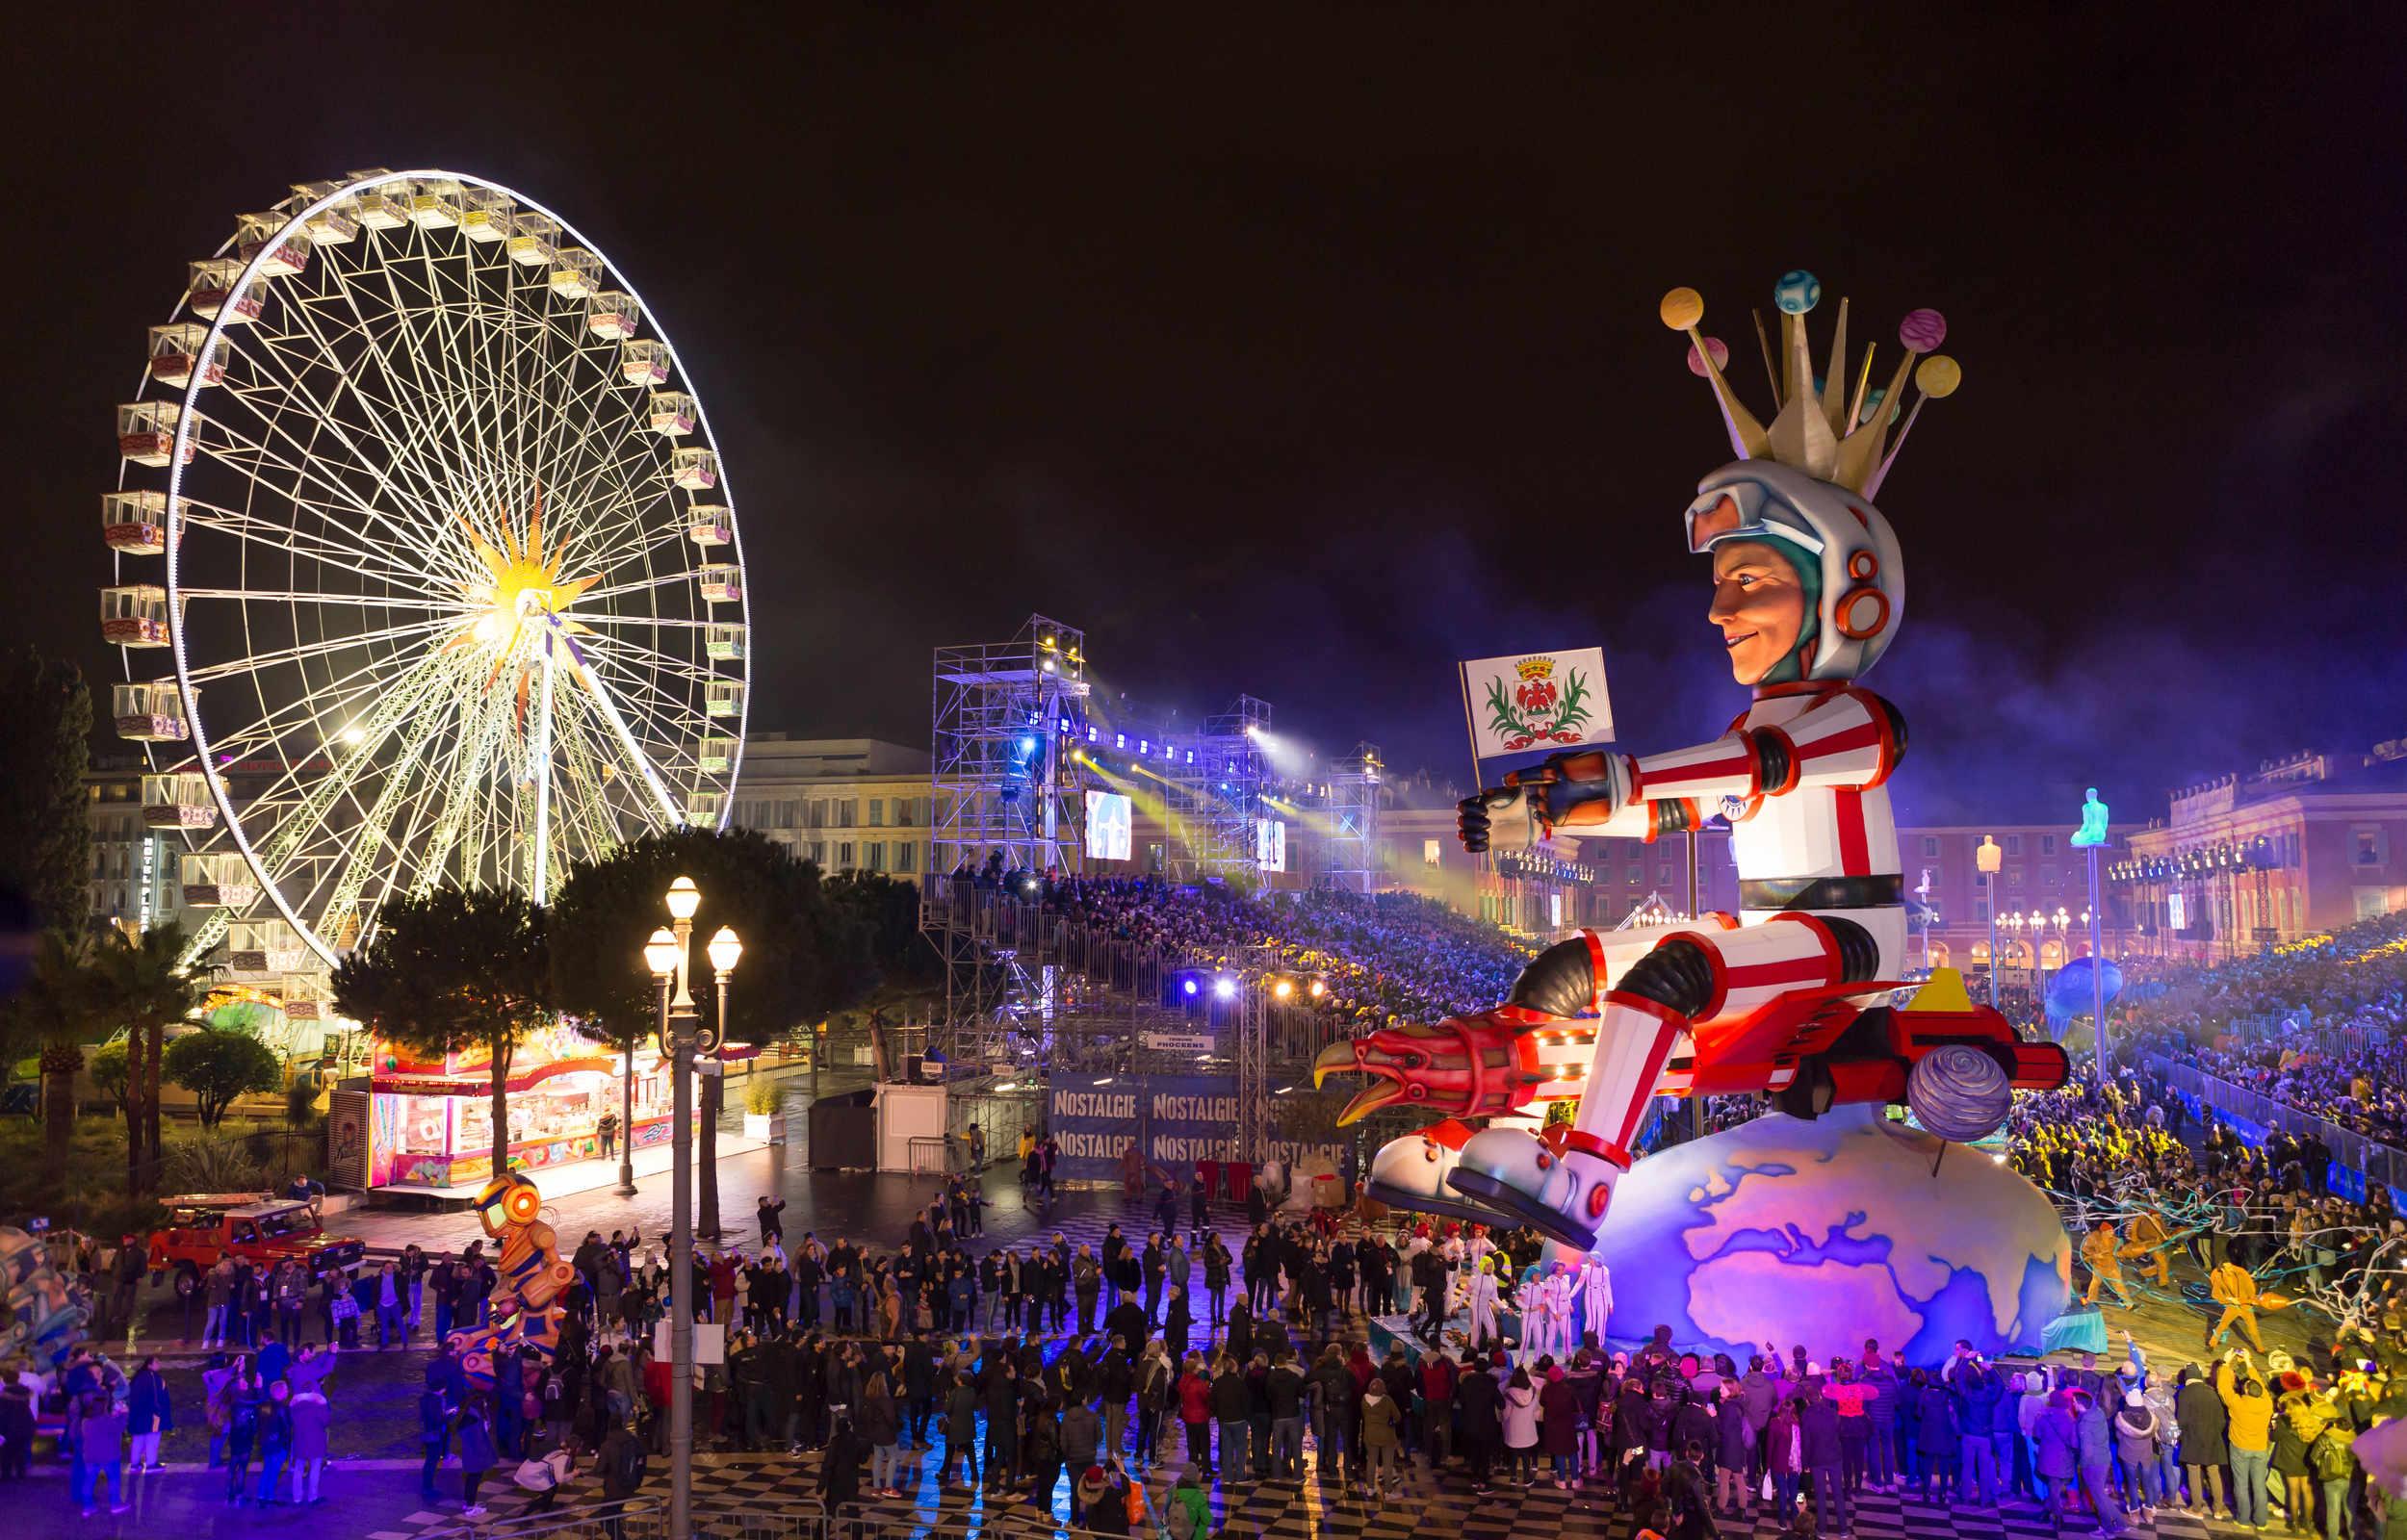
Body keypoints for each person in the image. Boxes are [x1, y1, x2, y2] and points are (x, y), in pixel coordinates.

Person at [2218, 1352, 2275, 1530]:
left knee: (2241, 1484)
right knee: (2259, 1485)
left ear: (2246, 1390)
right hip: (2259, 1449)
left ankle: (2243, 1519)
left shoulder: (2238, 1403)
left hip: (2240, 1447)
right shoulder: (2267, 1404)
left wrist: (2226, 1364)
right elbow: (2262, 1387)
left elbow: (2223, 1388)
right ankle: (2261, 1521)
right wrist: (2249, 1363)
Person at [74, 1391, 128, 1518]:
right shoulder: (105, 1420)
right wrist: (124, 1414)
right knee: (114, 1480)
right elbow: (118, 1429)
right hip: (109, 1455)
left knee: (89, 1481)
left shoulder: (86, 1421)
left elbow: (104, 1427)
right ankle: (115, 1505)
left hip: (90, 1456)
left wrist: (113, 1416)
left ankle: (87, 1507)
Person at [290, 1373, 331, 1503]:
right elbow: (326, 1421)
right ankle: (312, 1496)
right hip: (316, 1440)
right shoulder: (318, 1405)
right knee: (314, 1468)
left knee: (298, 1468)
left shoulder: (294, 1406)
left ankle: (297, 1497)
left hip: (300, 1440)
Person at [455, 1396, 498, 1517]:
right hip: (477, 1455)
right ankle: (470, 1508)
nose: (486, 1405)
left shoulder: (472, 1416)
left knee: (472, 1479)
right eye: (484, 1403)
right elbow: (479, 1439)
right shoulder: (475, 1419)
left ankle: (469, 1502)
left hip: (473, 1454)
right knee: (474, 1480)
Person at [127, 1354, 170, 1472]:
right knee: (152, 1438)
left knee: (138, 1438)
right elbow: (157, 1397)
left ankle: (134, 1464)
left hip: (137, 1415)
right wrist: (158, 1412)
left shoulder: (137, 1377)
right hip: (151, 1415)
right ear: (149, 1364)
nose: (159, 1363)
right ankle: (151, 1464)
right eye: (156, 1362)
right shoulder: (153, 1377)